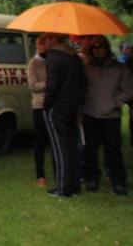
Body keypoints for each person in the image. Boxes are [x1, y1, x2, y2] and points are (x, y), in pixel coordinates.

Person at [81, 35, 133, 196]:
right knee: (90, 149)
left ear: (106, 48)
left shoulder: (120, 68)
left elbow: (129, 90)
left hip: (111, 117)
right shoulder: (86, 68)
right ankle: (92, 178)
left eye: (100, 46)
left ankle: (117, 180)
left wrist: (115, 102)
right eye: (94, 47)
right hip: (90, 114)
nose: (97, 50)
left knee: (113, 150)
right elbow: (79, 88)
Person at [41, 33, 86, 197]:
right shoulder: (74, 57)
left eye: (46, 39)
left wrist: (47, 104)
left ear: (53, 39)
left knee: (60, 148)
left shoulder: (54, 56)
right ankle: (74, 185)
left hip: (58, 108)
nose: (44, 43)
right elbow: (83, 83)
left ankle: (63, 187)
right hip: (73, 107)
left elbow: (52, 84)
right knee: (72, 145)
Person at [27, 35, 49, 187]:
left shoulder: (52, 61)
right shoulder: (34, 63)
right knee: (40, 140)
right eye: (40, 44)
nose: (42, 47)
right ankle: (40, 174)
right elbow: (33, 85)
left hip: (53, 104)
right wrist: (50, 83)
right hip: (39, 105)